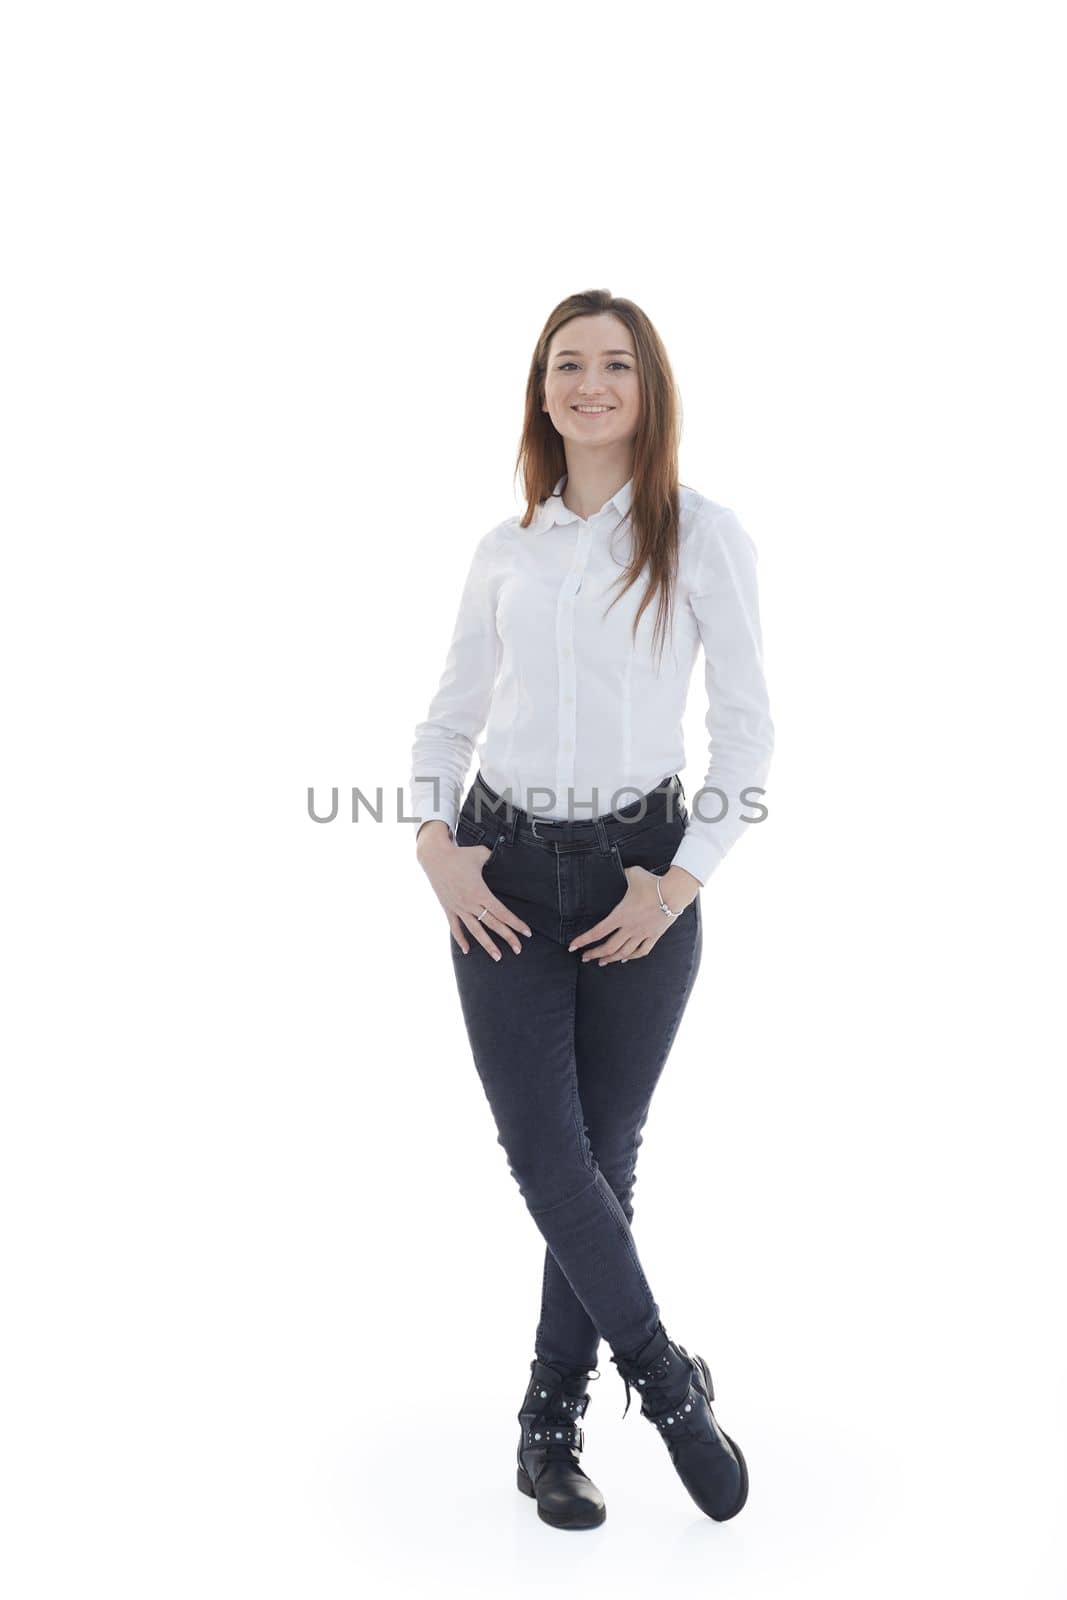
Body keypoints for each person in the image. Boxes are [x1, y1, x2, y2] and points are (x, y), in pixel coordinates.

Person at [408, 288, 774, 1531]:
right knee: (548, 1156)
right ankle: (668, 1387)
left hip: (637, 881)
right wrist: (431, 844)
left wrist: (680, 883)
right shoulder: (505, 550)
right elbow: (447, 716)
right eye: (568, 363)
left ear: (646, 388)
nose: (590, 383)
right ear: (542, 389)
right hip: (499, 880)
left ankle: (547, 1425)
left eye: (615, 364)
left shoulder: (697, 535)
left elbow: (745, 730)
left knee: (601, 1162)